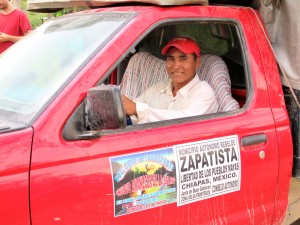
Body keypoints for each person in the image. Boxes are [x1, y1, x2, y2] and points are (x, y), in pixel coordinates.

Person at [122, 36, 218, 124]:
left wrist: (137, 109)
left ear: (197, 63)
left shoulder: (204, 92)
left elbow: (184, 122)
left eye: (183, 59)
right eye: (171, 59)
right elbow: (131, 112)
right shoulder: (157, 89)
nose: (176, 66)